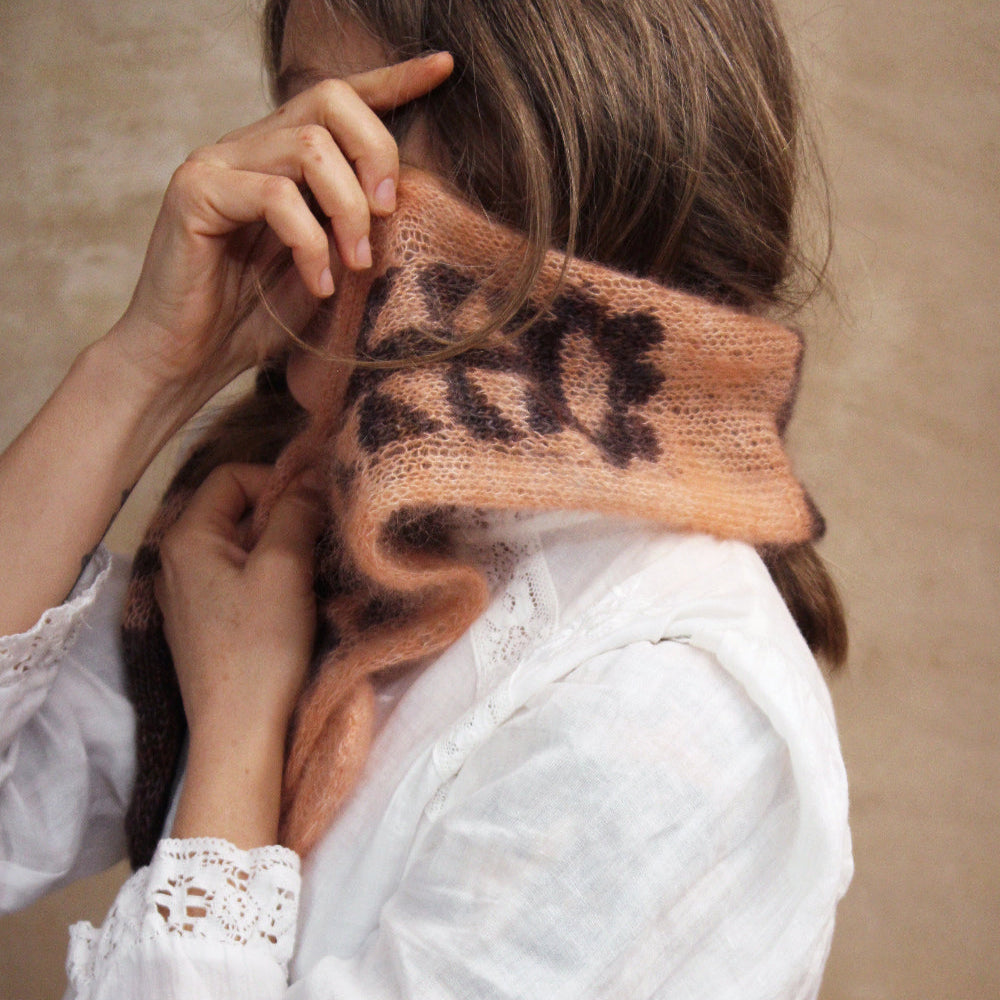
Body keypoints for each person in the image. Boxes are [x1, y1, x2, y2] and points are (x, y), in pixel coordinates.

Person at [0, 0, 853, 996]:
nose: (282, 184)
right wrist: (142, 371)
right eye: (295, 118)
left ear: (532, 178)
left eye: (343, 133)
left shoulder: (670, 708)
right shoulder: (295, 534)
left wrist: (236, 742)